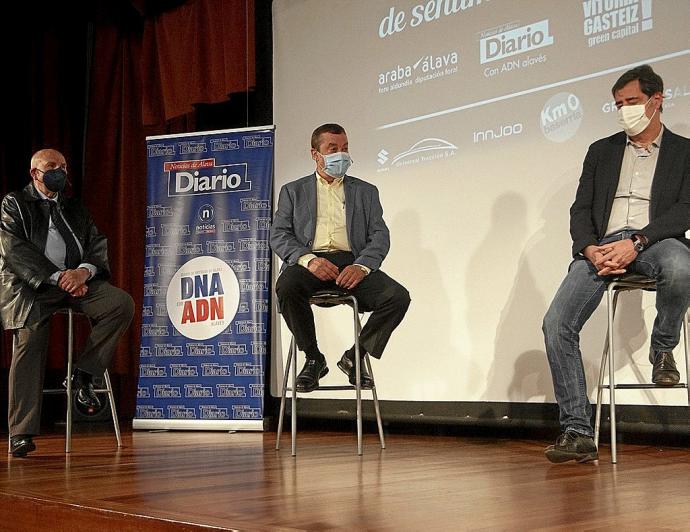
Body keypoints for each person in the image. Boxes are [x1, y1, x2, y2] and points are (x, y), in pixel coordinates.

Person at [542, 65, 690, 463]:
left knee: (681, 266)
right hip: (603, 246)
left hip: (655, 239)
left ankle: (663, 350)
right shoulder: (601, 150)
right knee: (556, 323)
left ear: (657, 100)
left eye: (632, 102)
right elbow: (582, 209)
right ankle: (577, 431)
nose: (625, 110)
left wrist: (638, 242)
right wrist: (589, 249)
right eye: (618, 104)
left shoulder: (685, 152)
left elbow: (686, 209)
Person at [0, 148, 135, 457]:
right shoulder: (15, 204)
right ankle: (21, 431)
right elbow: (16, 251)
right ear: (35, 173)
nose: (59, 171)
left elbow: (97, 243)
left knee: (120, 303)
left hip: (76, 284)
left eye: (63, 166)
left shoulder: (74, 207)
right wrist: (59, 277)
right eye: (52, 166)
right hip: (32, 287)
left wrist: (82, 273)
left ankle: (85, 373)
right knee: (31, 340)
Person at [270, 123, 410, 393]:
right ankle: (313, 359)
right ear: (315, 154)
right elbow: (279, 235)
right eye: (332, 149)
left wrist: (362, 265)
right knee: (286, 286)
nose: (341, 155)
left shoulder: (366, 191)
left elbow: (380, 235)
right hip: (310, 263)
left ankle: (355, 357)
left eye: (345, 148)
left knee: (397, 296)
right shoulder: (293, 191)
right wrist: (308, 260)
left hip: (351, 263)